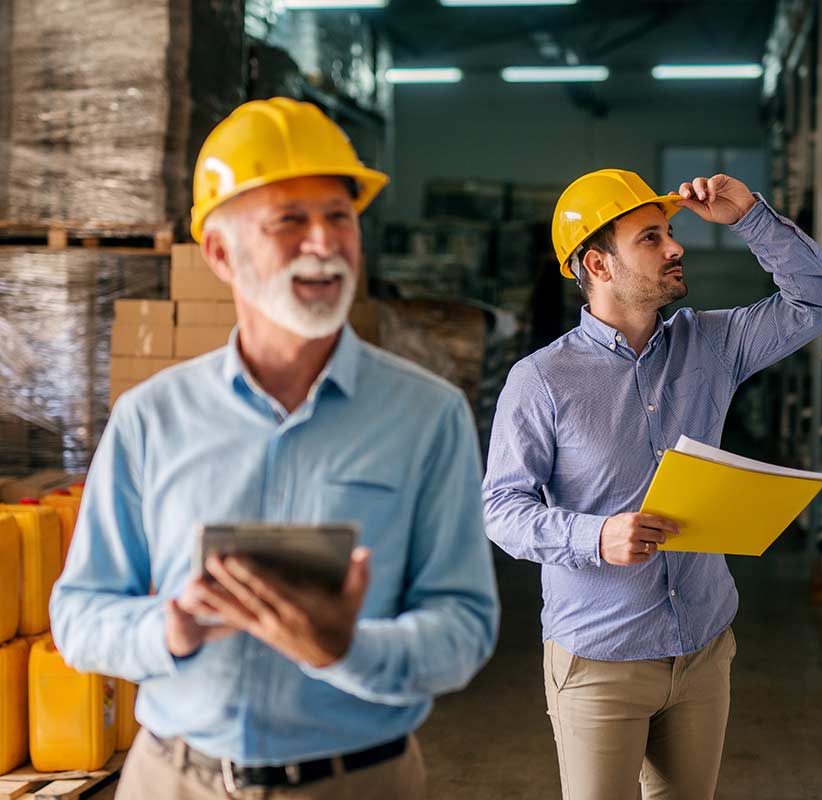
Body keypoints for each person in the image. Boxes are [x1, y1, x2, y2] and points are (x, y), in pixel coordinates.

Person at [50, 97, 500, 800]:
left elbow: (466, 628)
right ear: (221, 254)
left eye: (340, 217)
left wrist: (348, 650)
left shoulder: (427, 417)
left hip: (358, 782)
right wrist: (170, 625)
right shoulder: (151, 418)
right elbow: (79, 616)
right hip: (174, 780)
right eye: (290, 220)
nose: (323, 241)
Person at [483, 168, 822, 800]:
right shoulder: (540, 380)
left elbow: (820, 300)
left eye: (669, 233)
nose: (675, 247)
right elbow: (501, 509)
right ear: (597, 264)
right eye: (650, 238)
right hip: (600, 655)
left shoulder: (711, 344)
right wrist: (596, 535)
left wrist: (751, 217)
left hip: (703, 645)